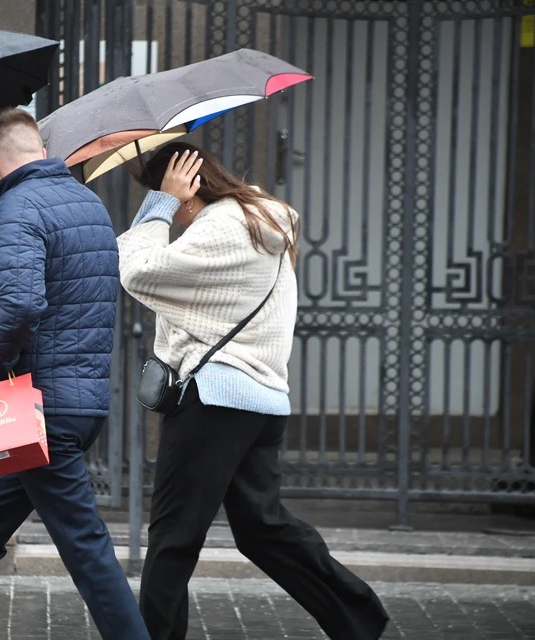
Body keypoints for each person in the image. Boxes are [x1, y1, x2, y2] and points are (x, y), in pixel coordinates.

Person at [117, 142, 390, 640]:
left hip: (215, 401)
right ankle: (359, 619)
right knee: (263, 530)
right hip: (261, 401)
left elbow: (139, 271)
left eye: (166, 198)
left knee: (173, 538)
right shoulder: (261, 221)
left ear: (187, 189)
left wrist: (157, 204)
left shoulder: (220, 227)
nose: (170, 217)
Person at [0, 107, 150, 640]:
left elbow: (24, 302)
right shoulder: (86, 203)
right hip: (80, 404)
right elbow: (56, 283)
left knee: (84, 544)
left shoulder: (17, 204)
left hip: (40, 410)